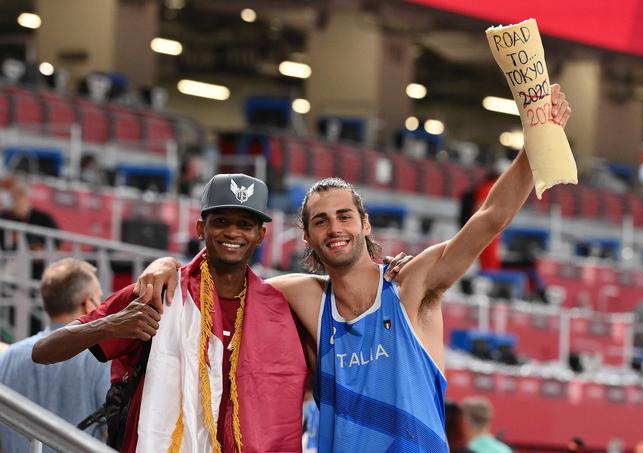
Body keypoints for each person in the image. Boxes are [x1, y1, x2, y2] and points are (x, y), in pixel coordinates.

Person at [136, 85, 571, 452]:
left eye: (345, 216)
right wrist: (168, 264)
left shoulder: (411, 287)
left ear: (365, 223)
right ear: (306, 237)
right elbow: (224, 272)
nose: (335, 228)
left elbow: (490, 217)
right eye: (320, 221)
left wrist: (537, 141)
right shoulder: (303, 296)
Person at [32, 173, 411, 453]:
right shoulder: (160, 292)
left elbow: (348, 364)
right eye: (221, 222)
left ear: (261, 235)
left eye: (245, 224)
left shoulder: (282, 308)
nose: (233, 233)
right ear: (201, 227)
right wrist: (113, 324)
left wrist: (384, 278)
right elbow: (44, 350)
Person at [0, 258, 110, 453]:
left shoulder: (8, 358)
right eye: (98, 299)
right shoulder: (101, 357)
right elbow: (114, 430)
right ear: (86, 303)